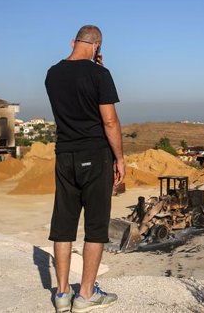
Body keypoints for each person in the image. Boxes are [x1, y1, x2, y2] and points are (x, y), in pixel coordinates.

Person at [45, 25, 125, 313]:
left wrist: (93, 68)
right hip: (95, 155)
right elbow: (110, 122)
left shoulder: (52, 73)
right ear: (97, 47)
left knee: (63, 227)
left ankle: (63, 293)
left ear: (73, 42)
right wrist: (120, 159)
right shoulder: (99, 74)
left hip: (64, 155)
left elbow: (73, 94)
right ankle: (86, 295)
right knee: (95, 228)